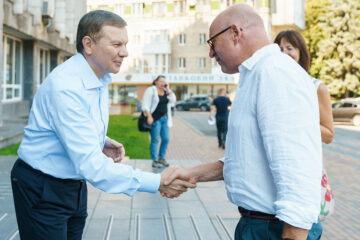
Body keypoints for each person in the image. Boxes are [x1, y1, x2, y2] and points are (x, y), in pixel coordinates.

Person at [10, 10, 194, 240]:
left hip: (72, 185)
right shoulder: (67, 86)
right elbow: (93, 167)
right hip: (42, 187)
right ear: (88, 44)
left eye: (125, 44)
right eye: (116, 44)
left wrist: (100, 141)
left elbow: (74, 125)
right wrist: (157, 182)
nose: (125, 52)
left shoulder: (98, 77)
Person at [163, 4, 322, 240]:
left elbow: (297, 169)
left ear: (235, 33)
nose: (211, 53)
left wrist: (293, 235)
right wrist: (189, 173)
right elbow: (245, 161)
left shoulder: (274, 73)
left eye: (212, 43)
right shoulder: (257, 74)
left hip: (275, 229)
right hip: (260, 225)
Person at [274, 30, 335, 240]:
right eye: (279, 49)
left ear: (301, 53)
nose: (284, 53)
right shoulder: (272, 87)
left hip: (303, 171)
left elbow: (328, 134)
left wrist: (298, 120)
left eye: (289, 48)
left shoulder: (315, 87)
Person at [142, 75, 176, 168]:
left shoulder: (166, 92)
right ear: (156, 82)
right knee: (155, 139)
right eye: (160, 81)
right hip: (155, 119)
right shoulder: (151, 90)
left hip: (165, 119)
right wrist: (149, 116)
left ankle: (162, 158)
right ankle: (155, 160)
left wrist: (168, 89)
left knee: (166, 138)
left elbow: (173, 101)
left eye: (164, 81)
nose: (162, 83)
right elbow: (145, 105)